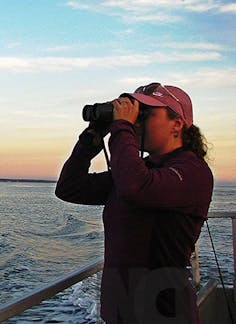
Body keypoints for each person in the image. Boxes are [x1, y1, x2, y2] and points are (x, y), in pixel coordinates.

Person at [55, 83, 213, 323]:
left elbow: (134, 187)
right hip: (120, 310)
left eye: (144, 115)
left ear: (177, 124)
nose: (136, 122)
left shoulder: (193, 172)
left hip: (164, 313)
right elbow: (70, 188)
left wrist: (122, 127)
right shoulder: (140, 171)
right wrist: (92, 138)